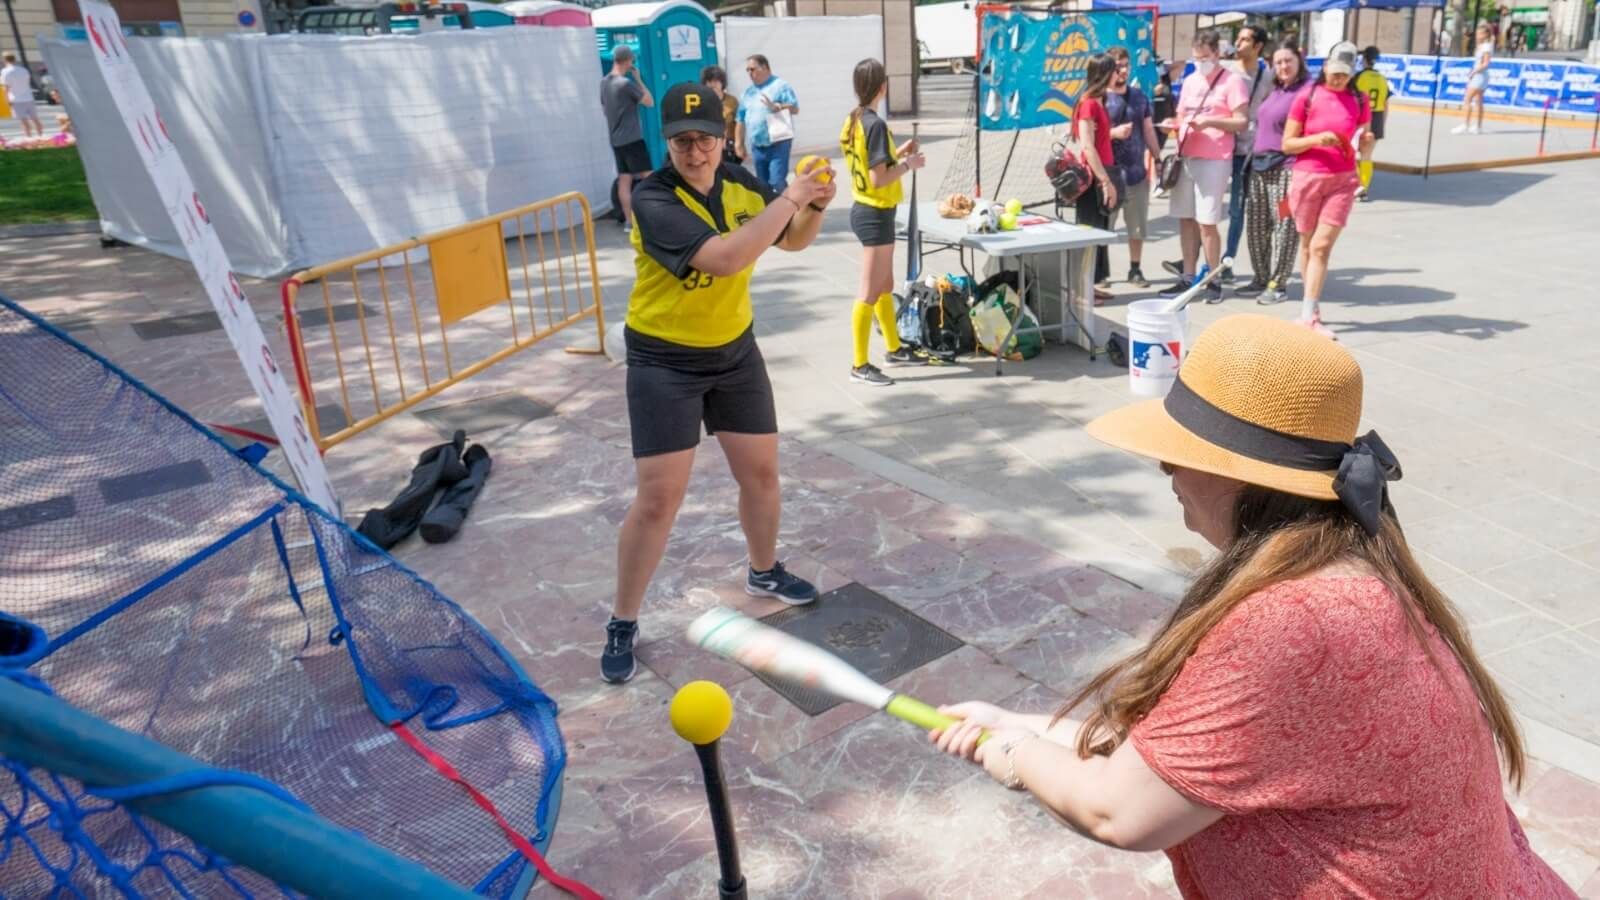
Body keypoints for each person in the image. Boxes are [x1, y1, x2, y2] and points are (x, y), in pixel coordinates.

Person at [927, 313, 1578, 900]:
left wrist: (1012, 755)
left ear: (1242, 473)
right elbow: (1165, 756)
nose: (1165, 471)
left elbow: (1118, 812)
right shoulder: (1348, 566)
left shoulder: (1295, 620)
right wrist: (1015, 721)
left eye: (1179, 456)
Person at [601, 83, 837, 683]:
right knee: (659, 499)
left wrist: (813, 205)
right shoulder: (653, 200)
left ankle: (763, 570)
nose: (695, 152)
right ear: (668, 145)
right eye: (682, 142)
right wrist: (790, 196)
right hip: (663, 360)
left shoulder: (738, 182)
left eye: (704, 139)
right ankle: (623, 620)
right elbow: (728, 257)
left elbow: (794, 241)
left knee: (760, 474)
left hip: (733, 351)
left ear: (720, 137)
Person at [840, 57, 927, 387]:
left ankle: (893, 348)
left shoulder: (854, 120)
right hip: (874, 212)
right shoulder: (874, 124)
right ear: (882, 87)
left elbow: (869, 162)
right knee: (869, 291)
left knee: (885, 286)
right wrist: (910, 164)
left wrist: (899, 151)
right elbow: (878, 178)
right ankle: (859, 365)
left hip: (872, 211)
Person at [1282, 41, 1371, 339]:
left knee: (1321, 246)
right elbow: (1287, 144)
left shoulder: (1359, 100)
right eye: (1335, 73)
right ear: (1325, 67)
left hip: (1343, 179)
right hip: (1308, 176)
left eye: (1344, 74)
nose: (1339, 79)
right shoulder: (1307, 96)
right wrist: (1318, 138)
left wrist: (1368, 145)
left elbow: (1364, 144)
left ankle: (1309, 315)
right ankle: (1311, 311)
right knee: (1307, 245)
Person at [1157, 30, 1248, 305]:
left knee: (1207, 221)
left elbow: (1240, 121)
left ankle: (1213, 279)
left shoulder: (1233, 81)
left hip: (1215, 157)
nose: (1200, 63)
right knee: (1186, 218)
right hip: (1187, 153)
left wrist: (1210, 123)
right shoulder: (1191, 79)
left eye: (1205, 58)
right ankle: (1187, 276)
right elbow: (1183, 114)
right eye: (1196, 58)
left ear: (1217, 54)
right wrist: (1174, 124)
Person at [1235, 40, 1307, 306]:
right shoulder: (1276, 88)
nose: (1283, 66)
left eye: (1288, 60)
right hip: (1260, 166)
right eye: (1277, 62)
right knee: (1256, 226)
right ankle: (1261, 276)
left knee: (1285, 227)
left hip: (1288, 168)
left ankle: (1278, 282)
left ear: (1299, 60)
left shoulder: (1306, 91)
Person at [1220, 25, 1274, 285]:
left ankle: (1227, 261)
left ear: (1258, 46)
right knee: (1206, 209)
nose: (1238, 43)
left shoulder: (1267, 76)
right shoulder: (1226, 73)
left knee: (1239, 210)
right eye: (1238, 38)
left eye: (1245, 39)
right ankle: (1200, 263)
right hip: (1221, 148)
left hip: (1251, 152)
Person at [1105, 46, 1161, 288]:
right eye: (1118, 66)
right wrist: (1113, 133)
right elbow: (1087, 136)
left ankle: (1135, 269)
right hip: (1108, 175)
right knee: (1104, 228)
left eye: (1126, 65)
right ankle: (1100, 274)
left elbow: (1148, 129)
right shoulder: (1098, 98)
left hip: (1136, 173)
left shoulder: (1139, 96)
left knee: (1137, 227)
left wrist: (1158, 158)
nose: (1124, 70)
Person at [1073, 54, 1120, 301]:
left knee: (1097, 233)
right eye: (1115, 70)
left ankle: (1089, 285)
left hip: (1103, 172)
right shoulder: (1089, 104)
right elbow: (1088, 146)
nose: (1119, 75)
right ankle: (1080, 290)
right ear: (1104, 74)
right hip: (1093, 179)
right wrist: (1104, 180)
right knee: (1088, 234)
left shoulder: (1100, 101)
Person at [600, 46, 655, 230]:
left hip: (616, 139)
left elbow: (604, 107)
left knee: (625, 180)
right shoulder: (625, 84)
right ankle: (656, 215)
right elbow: (649, 101)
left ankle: (629, 223)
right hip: (632, 139)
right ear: (628, 61)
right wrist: (639, 79)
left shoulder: (605, 82)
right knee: (650, 178)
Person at [737, 55, 799, 193]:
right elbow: (740, 119)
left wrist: (778, 106)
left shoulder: (780, 86)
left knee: (777, 181)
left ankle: (788, 209)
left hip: (778, 143)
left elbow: (795, 108)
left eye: (752, 69)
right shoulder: (748, 92)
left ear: (764, 67)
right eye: (747, 70)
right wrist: (739, 144)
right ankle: (771, 211)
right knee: (763, 185)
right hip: (758, 146)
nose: (749, 73)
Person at [1353, 45, 1389, 201]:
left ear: (1364, 59)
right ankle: (1364, 188)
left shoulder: (1359, 77)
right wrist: (1383, 124)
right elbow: (1387, 103)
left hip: (1360, 116)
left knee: (1351, 154)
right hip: (1377, 117)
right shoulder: (1382, 79)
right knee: (1367, 156)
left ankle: (1356, 186)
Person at [1454, 23, 1494, 135]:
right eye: (1477, 33)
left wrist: (1474, 71)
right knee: (1478, 100)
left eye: (1480, 33)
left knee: (1467, 99)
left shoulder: (1486, 46)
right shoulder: (1482, 45)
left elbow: (1486, 63)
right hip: (1480, 75)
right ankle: (1478, 126)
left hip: (1480, 75)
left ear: (1486, 34)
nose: (1477, 35)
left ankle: (1465, 124)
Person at [701, 64, 742, 167]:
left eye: (716, 81)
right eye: (709, 82)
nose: (712, 85)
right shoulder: (702, 102)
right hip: (710, 146)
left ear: (722, 83)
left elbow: (739, 123)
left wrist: (739, 144)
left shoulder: (732, 101)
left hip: (729, 146)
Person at [1, 53, 41, 140]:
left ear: (4, 60)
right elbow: (27, 82)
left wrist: (6, 100)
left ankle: (29, 138)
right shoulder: (24, 70)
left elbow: (5, 87)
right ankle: (40, 136)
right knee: (35, 119)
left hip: (16, 99)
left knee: (23, 121)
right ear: (14, 59)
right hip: (28, 97)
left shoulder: (5, 71)